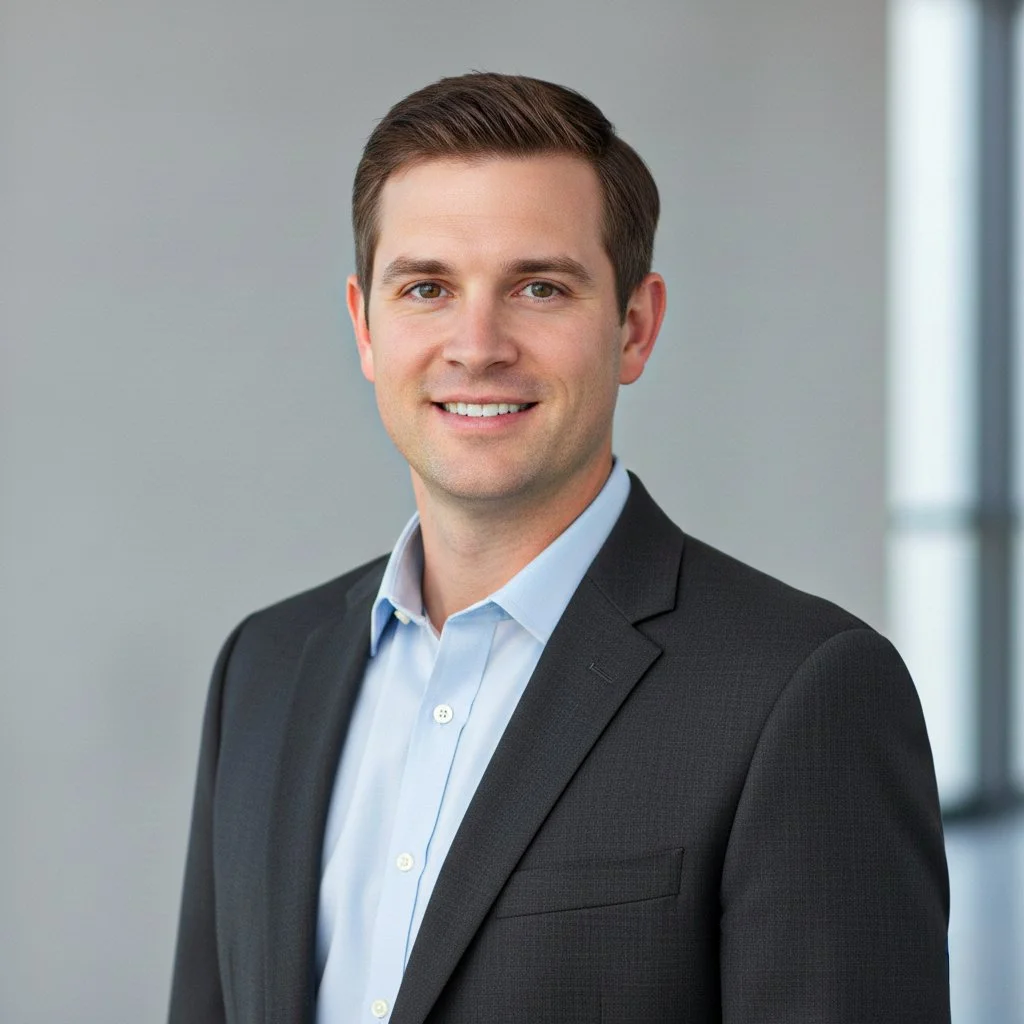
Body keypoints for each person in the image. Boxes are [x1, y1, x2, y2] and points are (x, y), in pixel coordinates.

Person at [168, 73, 950, 1024]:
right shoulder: (264, 668)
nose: (478, 343)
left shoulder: (803, 692)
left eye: (539, 287)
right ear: (365, 326)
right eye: (427, 287)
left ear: (635, 326)